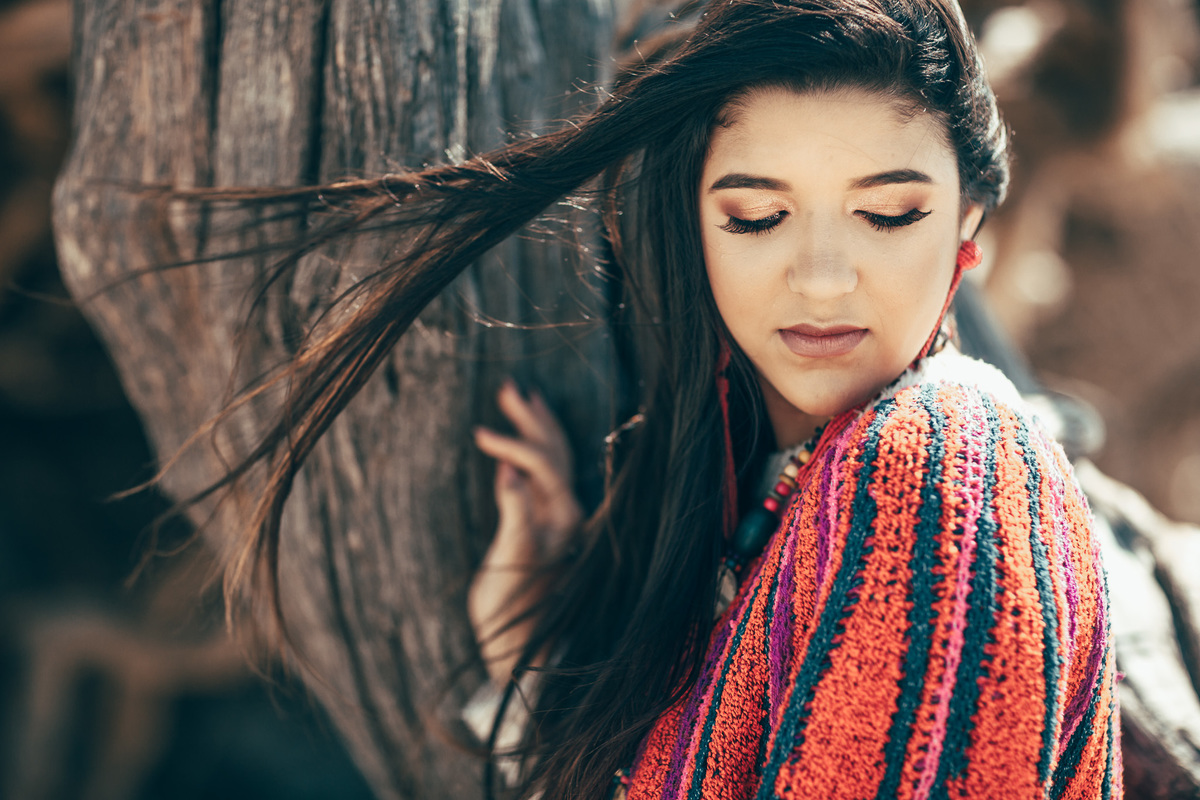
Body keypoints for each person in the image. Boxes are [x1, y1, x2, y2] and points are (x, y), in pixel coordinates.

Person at [183, 0, 1120, 797]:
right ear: (693, 228)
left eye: (887, 214)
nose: (826, 279)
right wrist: (532, 660)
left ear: (967, 227)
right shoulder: (758, 482)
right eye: (758, 216)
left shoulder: (934, 466)